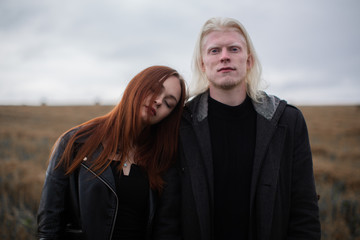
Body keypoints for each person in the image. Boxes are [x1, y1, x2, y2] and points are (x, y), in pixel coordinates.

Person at [176, 17, 321, 239]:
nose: (224, 56)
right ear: (202, 64)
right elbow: (168, 213)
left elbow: (304, 208)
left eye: (234, 49)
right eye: (214, 50)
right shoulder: (182, 124)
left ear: (249, 60)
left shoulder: (287, 121)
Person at [37, 65, 187, 240]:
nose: (159, 101)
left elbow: (165, 230)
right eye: (154, 90)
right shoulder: (76, 142)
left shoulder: (162, 160)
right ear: (136, 86)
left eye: (169, 103)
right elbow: (50, 223)